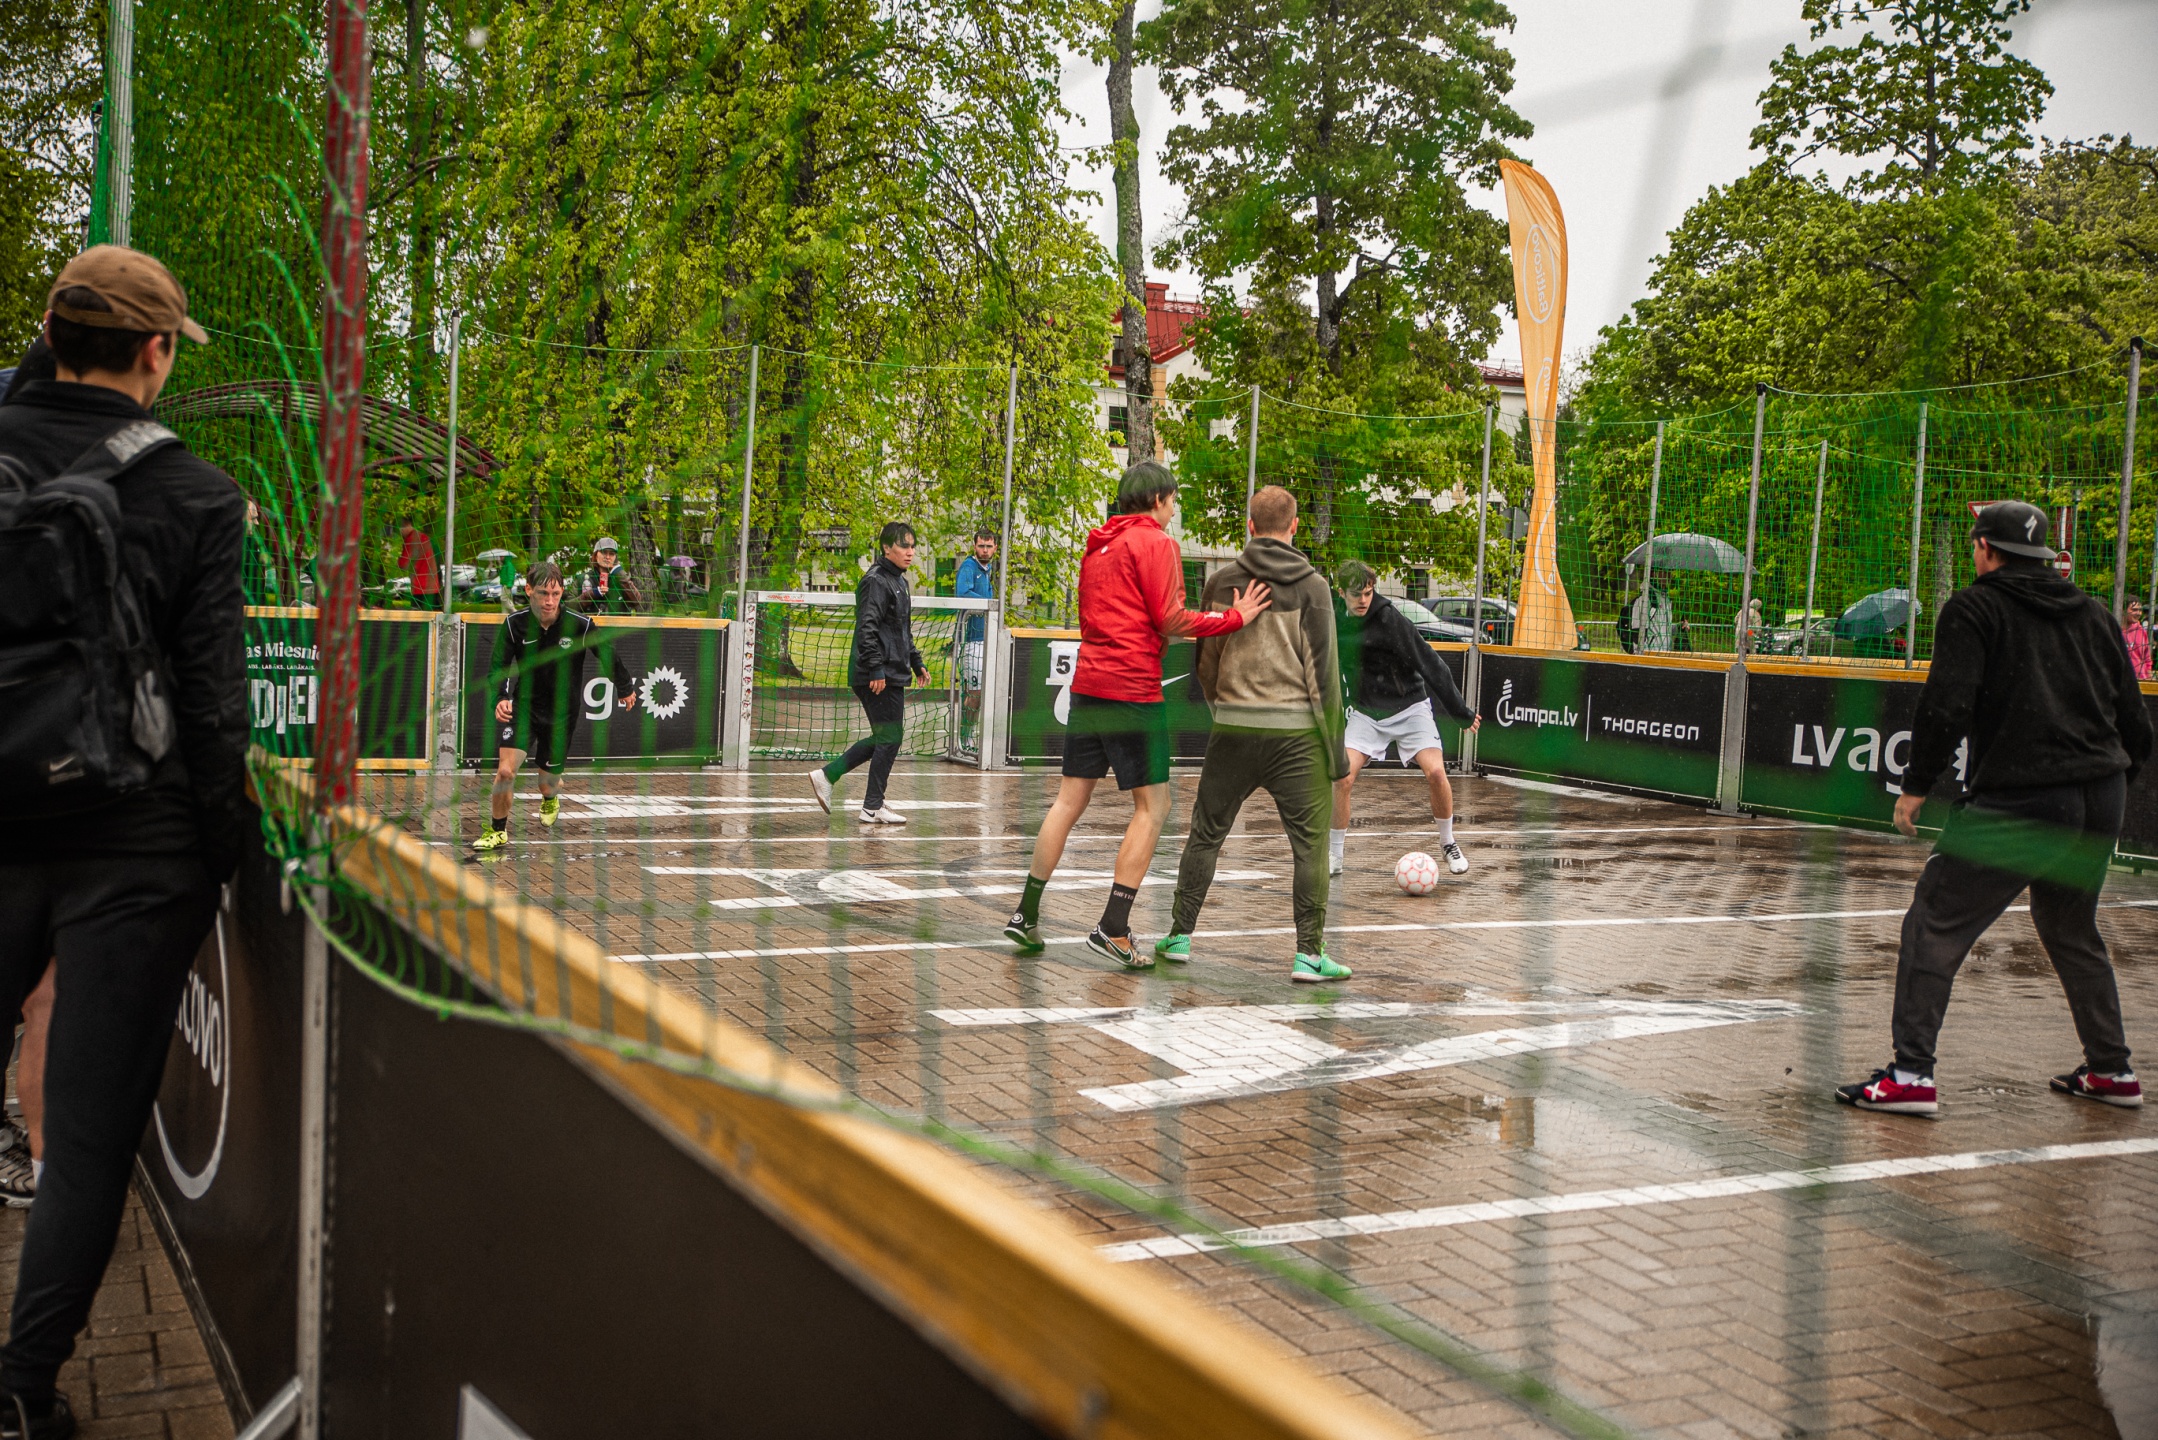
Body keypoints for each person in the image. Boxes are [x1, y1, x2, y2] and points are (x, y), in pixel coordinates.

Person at [0, 245, 247, 1436]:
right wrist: (224, 852)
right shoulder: (196, 493)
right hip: (133, 847)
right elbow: (211, 704)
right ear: (157, 352)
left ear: (50, 336)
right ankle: (23, 1389)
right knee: (90, 1142)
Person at [1838, 500, 2149, 1116]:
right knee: (2070, 928)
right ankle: (2112, 1070)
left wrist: (1915, 785)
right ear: (2042, 555)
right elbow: (2135, 721)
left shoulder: (1975, 607)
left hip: (2025, 795)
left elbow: (1947, 704)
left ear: (1985, 548)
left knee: (1934, 922)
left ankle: (1911, 1076)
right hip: (2100, 792)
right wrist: (2114, 782)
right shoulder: (2092, 614)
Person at [1003, 461, 1268, 966]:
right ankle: (1113, 928)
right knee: (1154, 807)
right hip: (1132, 689)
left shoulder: (1097, 545)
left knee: (1067, 802)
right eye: (1173, 500)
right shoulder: (1157, 543)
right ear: (1159, 500)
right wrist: (1234, 618)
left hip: (1089, 685)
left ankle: (1025, 914)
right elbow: (1170, 619)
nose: (1174, 509)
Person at [1153, 486, 1348, 982]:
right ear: (1295, 526)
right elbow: (1323, 677)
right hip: (1296, 739)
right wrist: (1336, 754)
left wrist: (1224, 708)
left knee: (1205, 835)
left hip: (1234, 729)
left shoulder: (1222, 581)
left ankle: (1179, 935)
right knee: (1310, 847)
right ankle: (1309, 954)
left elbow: (1205, 661)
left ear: (1250, 526)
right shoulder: (1314, 587)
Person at [1327, 561, 1481, 879]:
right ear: (1341, 593)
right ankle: (1335, 854)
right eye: (1356, 594)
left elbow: (1432, 664)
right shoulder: (1335, 621)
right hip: (1367, 712)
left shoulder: (1390, 620)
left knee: (1436, 772)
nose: (1363, 600)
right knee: (1342, 778)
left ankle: (1448, 843)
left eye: (1368, 593)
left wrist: (1461, 713)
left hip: (1410, 708)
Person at [472, 562, 638, 852]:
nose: (549, 601)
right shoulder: (514, 624)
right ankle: (498, 831)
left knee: (547, 784)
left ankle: (550, 796)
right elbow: (498, 666)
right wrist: (500, 697)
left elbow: (607, 653)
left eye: (555, 594)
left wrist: (624, 688)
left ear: (562, 593)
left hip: (562, 715)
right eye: (543, 593)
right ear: (528, 590)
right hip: (524, 708)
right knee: (506, 772)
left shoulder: (580, 625)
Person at [807, 523, 930, 823]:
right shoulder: (876, 581)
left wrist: (916, 662)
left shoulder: (899, 582)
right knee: (890, 737)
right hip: (875, 674)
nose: (910, 552)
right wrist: (876, 668)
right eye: (904, 546)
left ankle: (833, 780)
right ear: (887, 548)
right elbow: (867, 629)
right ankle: (869, 804)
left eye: (912, 546)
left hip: (891, 671)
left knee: (887, 737)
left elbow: (902, 631)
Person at [956, 529, 996, 736]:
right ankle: (965, 737)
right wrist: (989, 604)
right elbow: (962, 594)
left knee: (982, 692)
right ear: (974, 546)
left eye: (988, 546)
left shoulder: (987, 570)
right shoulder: (969, 567)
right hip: (972, 641)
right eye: (981, 546)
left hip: (986, 639)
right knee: (975, 693)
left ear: (995, 548)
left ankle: (970, 736)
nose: (985, 550)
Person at [576, 535, 644, 615]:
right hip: (590, 622)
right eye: (604, 552)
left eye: (611, 554)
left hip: (618, 623)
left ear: (615, 558)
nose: (607, 557)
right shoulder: (583, 579)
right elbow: (569, 606)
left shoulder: (622, 579)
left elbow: (636, 601)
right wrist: (593, 593)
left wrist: (620, 574)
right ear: (596, 555)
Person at [397, 519, 440, 608]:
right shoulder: (424, 537)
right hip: (433, 586)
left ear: (404, 527)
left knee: (419, 614)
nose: (400, 534)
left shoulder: (410, 540)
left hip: (420, 588)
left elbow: (403, 564)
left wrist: (399, 560)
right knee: (435, 614)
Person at [2122, 598, 2152, 681]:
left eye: (2140, 610)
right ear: (2123, 610)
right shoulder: (2114, 631)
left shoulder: (2141, 631)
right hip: (2122, 680)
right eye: (2134, 610)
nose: (2138, 613)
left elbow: (2147, 659)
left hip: (2141, 679)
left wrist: (2149, 679)